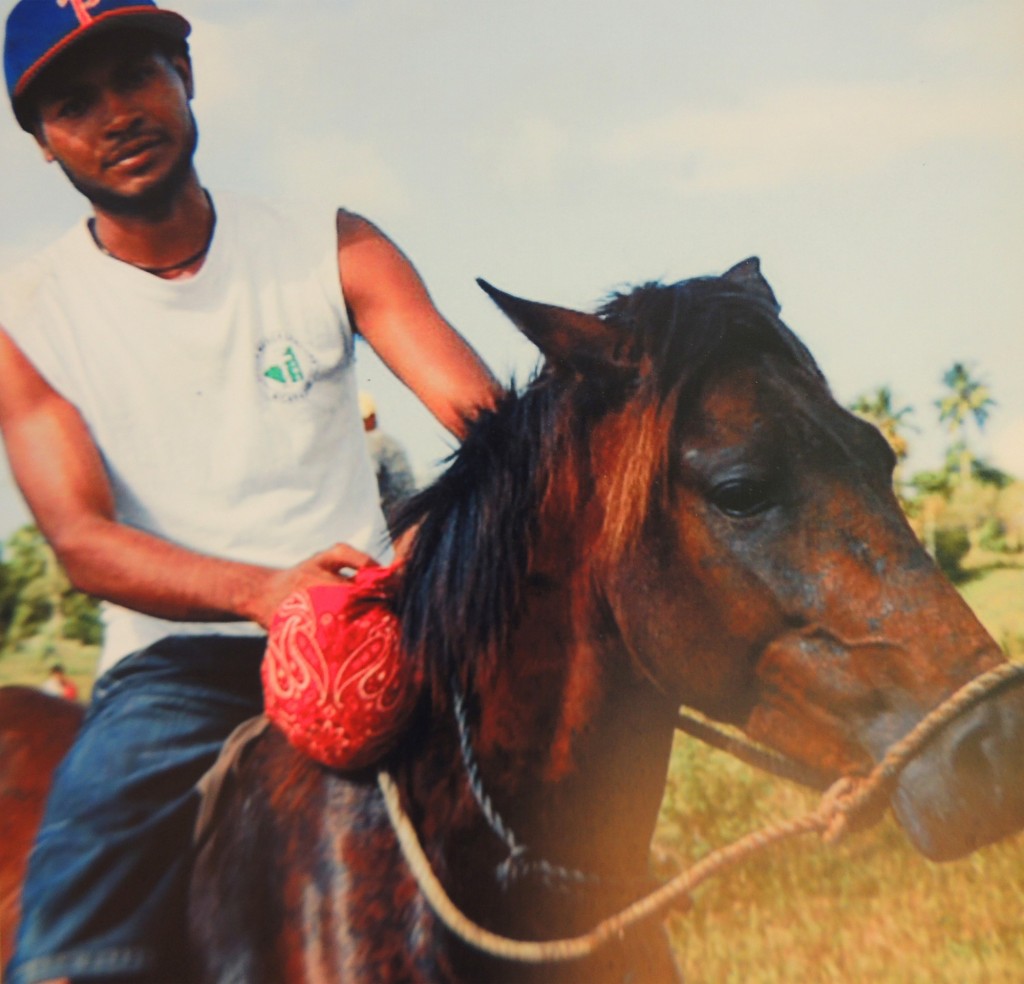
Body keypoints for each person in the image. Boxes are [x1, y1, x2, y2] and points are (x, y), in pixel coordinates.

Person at [0, 2, 500, 982]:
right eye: (74, 101)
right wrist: (266, 592)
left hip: (381, 633)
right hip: (179, 667)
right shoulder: (27, 317)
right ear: (44, 143)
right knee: (66, 949)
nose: (117, 113)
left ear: (184, 72)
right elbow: (82, 543)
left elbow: (489, 429)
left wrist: (428, 542)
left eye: (136, 73)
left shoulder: (330, 244)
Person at [359, 391, 417, 520]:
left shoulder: (373, 442)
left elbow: (369, 477)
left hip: (389, 515)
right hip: (404, 511)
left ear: (372, 417)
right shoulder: (390, 443)